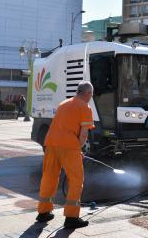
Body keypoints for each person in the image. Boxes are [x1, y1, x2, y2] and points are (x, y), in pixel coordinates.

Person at [36, 81, 95, 229]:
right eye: (91, 95)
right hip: (69, 146)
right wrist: (78, 149)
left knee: (49, 176)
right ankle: (71, 217)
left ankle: (43, 212)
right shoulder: (85, 107)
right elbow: (83, 135)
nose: (90, 98)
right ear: (87, 93)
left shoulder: (63, 104)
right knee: (75, 180)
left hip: (50, 143)